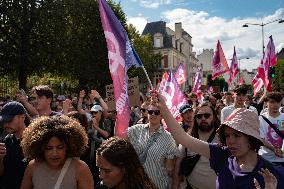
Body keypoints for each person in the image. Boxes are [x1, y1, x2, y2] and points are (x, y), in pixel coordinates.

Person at [152, 90, 284, 189]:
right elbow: (183, 138)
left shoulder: (272, 173)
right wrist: (163, 108)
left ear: (251, 139)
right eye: (227, 136)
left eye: (237, 135)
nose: (230, 141)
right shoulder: (222, 155)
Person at [20, 116, 94, 189]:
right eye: (49, 148)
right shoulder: (33, 167)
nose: (54, 153)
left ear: (68, 146)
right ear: (40, 148)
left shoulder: (80, 169)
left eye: (60, 147)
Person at [127, 102, 178, 189]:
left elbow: (169, 168)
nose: (153, 114)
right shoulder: (136, 130)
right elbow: (120, 134)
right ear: (147, 113)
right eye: (150, 112)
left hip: (157, 184)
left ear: (162, 115)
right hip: (136, 184)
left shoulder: (169, 139)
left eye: (157, 112)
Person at [172, 102, 218, 189]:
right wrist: (175, 185)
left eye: (207, 115)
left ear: (214, 117)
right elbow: (178, 164)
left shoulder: (223, 138)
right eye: (199, 116)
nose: (203, 118)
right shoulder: (187, 138)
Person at [0, 101, 30, 189]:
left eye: (9, 120)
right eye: (4, 121)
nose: (6, 124)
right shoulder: (6, 141)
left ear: (23, 117)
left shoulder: (34, 141)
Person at [258, 92, 284, 167]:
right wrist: (274, 149)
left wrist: (282, 150)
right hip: (266, 158)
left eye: (278, 102)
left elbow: (282, 135)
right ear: (266, 103)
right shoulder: (261, 119)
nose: (275, 105)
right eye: (272, 102)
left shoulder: (282, 118)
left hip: (282, 159)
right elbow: (261, 139)